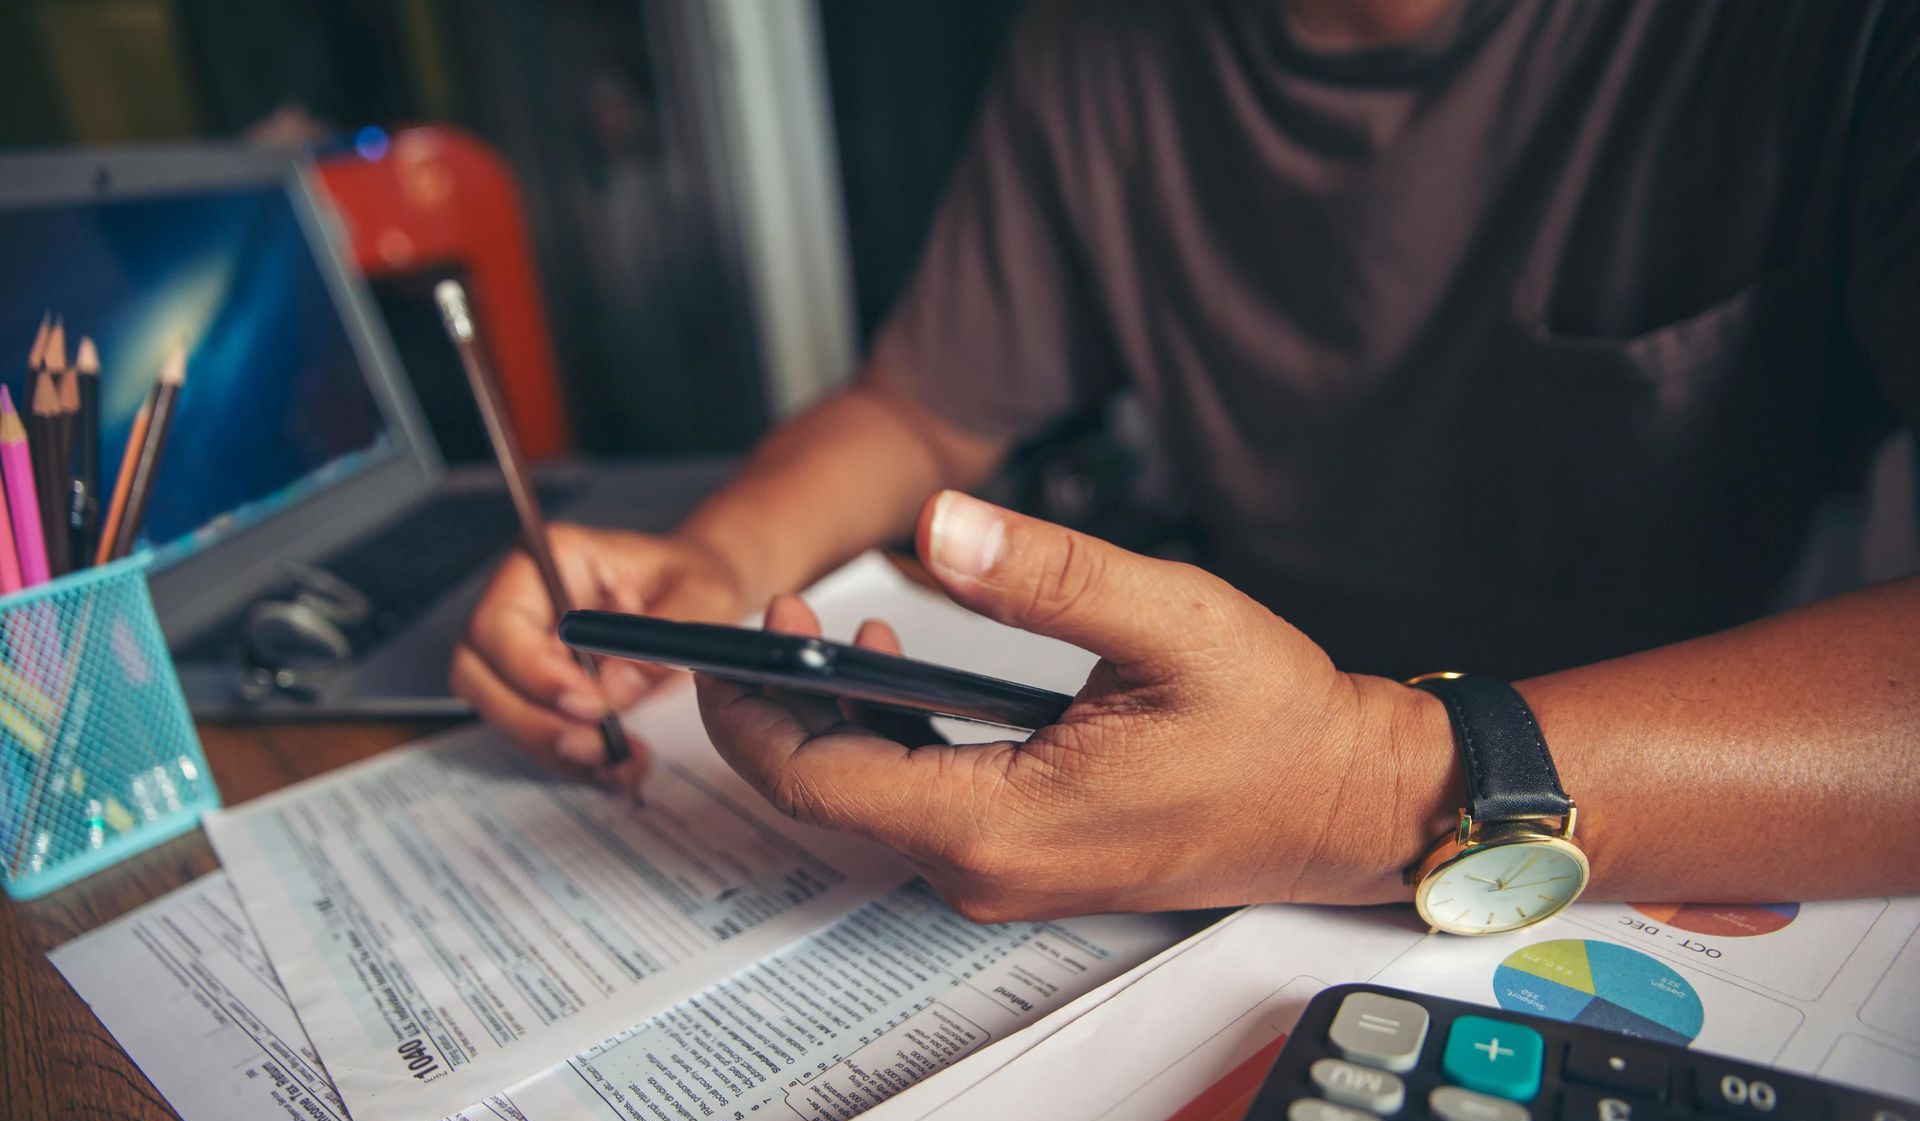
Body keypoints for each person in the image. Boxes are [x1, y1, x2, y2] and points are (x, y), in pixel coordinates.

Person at [456, 0, 1920, 922]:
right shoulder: (1095, 46)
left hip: (1674, 842)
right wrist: (717, 561)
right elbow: (922, 402)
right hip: (1199, 807)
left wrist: (1359, 784)